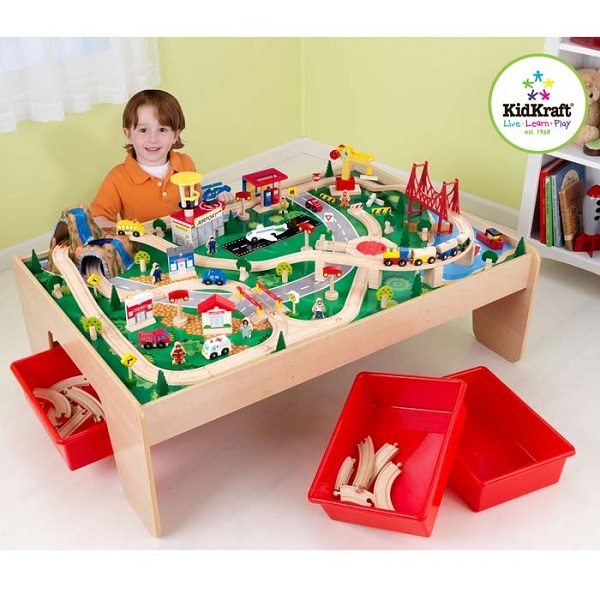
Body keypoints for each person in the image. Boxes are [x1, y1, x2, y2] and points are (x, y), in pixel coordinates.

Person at [90, 89, 197, 229]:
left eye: (162, 130)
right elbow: (98, 218)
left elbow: (198, 201)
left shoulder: (185, 163)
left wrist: (218, 200)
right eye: (143, 130)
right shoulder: (117, 177)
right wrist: (125, 229)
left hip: (186, 236)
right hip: (143, 241)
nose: (153, 139)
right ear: (128, 135)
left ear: (175, 135)